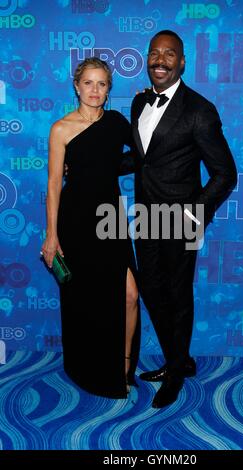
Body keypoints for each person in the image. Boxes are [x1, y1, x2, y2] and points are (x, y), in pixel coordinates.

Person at [130, 30, 237, 408]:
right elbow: (144, 160)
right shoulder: (139, 102)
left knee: (178, 295)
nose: (160, 60)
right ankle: (181, 359)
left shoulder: (199, 110)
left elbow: (226, 174)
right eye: (154, 53)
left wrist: (194, 215)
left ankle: (175, 372)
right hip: (145, 218)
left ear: (182, 62)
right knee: (153, 291)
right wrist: (92, 165)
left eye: (169, 54)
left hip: (179, 221)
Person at [41, 57, 139, 398]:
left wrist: (142, 106)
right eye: (88, 83)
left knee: (128, 295)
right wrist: (52, 234)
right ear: (76, 86)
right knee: (84, 299)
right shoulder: (61, 129)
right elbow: (54, 184)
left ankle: (124, 365)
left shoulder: (115, 122)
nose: (95, 90)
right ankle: (86, 368)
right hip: (76, 221)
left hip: (110, 218)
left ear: (109, 89)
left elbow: (141, 154)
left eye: (102, 84)